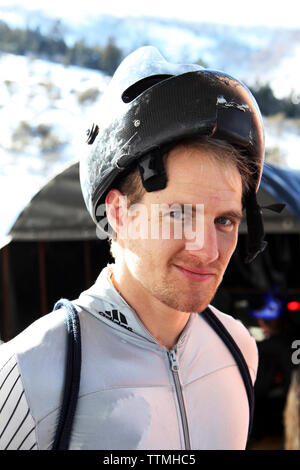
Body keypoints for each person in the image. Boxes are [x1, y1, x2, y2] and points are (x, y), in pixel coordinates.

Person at [0, 46, 268, 450]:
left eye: (224, 220)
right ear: (120, 214)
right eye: (180, 214)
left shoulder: (238, 349)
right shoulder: (28, 374)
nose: (208, 251)